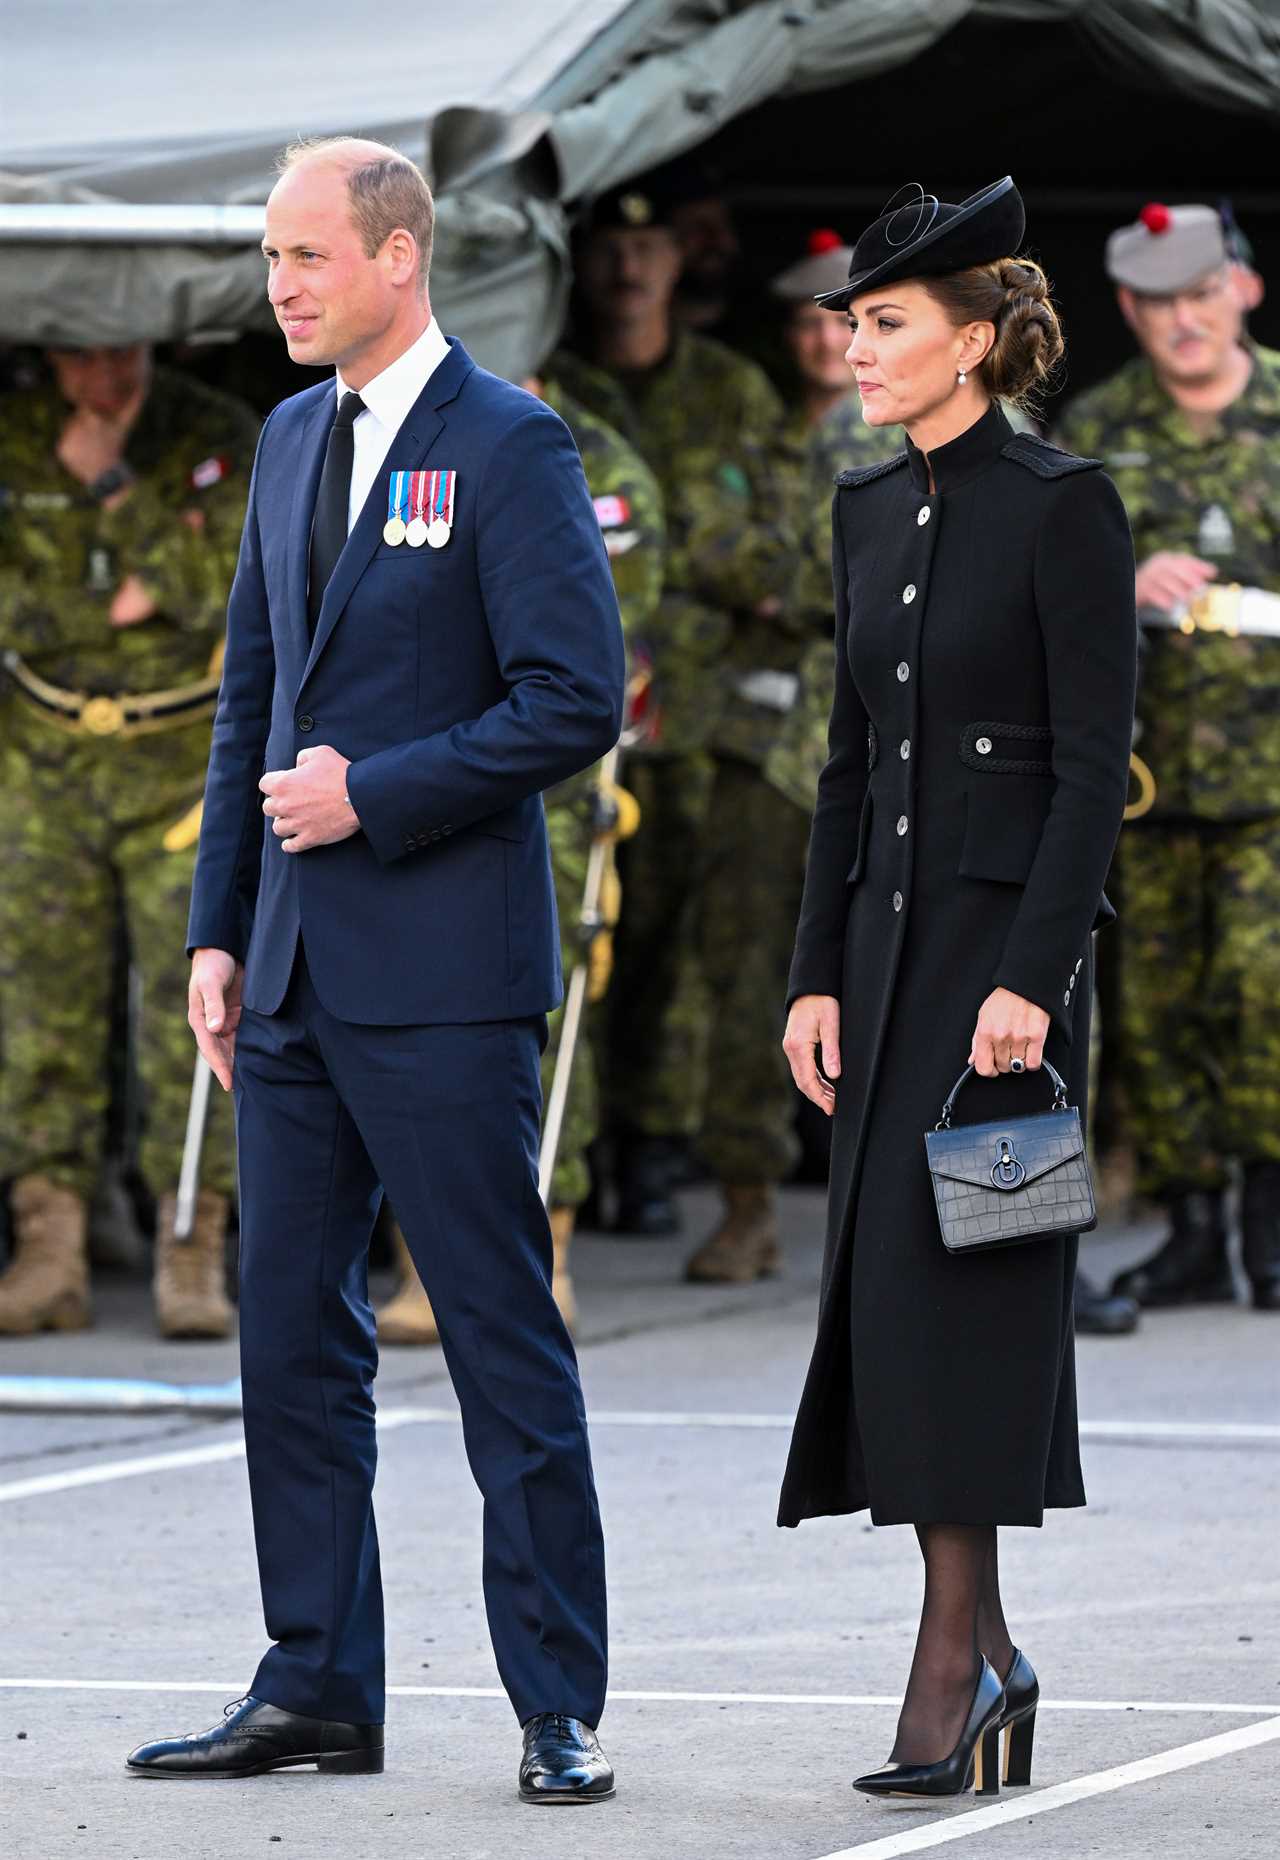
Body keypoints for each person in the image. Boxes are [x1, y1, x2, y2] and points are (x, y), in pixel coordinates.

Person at [125, 137, 623, 1802]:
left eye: (306, 255)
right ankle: (317, 1681)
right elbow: (249, 707)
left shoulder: (510, 442)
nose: (279, 284)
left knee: (497, 1336)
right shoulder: (286, 439)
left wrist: (376, 796)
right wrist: (217, 925)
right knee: (290, 1343)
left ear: (399, 256)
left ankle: (558, 1701)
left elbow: (574, 698)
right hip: (287, 980)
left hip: (447, 976)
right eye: (272, 256)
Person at [780, 179, 1136, 1799]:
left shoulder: (1066, 505)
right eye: (855, 324)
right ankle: (977, 1649)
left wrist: (1034, 982)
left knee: (980, 1298)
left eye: (889, 324)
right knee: (899, 1314)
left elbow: (1088, 768)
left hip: (1009, 987)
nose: (856, 347)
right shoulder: (863, 511)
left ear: (974, 341)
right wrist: (811, 978)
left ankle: (959, 1660)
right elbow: (847, 769)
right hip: (884, 966)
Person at [376, 362, 665, 1340]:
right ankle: (424, 1260)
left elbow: (603, 615)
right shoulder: (391, 428)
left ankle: (544, 1248)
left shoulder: (571, 446)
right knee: (408, 1013)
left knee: (541, 1014)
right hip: (408, 766)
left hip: (539, 776)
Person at [0, 343, 258, 1338]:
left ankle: (191, 1242)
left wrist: (115, 487)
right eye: (81, 351)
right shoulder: (17, 437)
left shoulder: (212, 433)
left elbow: (227, 585)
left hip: (179, 757)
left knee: (193, 1006)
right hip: (42, 756)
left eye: (122, 347)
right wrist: (110, 602)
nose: (104, 370)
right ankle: (47, 1243)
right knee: (40, 1010)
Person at [554, 184, 794, 1250]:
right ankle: (585, 1148)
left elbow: (766, 553)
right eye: (611, 248)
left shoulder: (731, 392)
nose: (628, 270)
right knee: (584, 933)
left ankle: (654, 1148)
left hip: (695, 711)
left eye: (647, 247)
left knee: (682, 946)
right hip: (572, 713)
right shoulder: (549, 389)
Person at [1055, 203, 1280, 1313]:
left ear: (1239, 290)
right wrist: (1122, 582)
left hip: (1271, 779)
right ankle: (1190, 1228)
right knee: (1151, 1007)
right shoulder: (1095, 430)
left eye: (1198, 295)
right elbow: (1035, 586)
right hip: (1139, 782)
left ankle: (1269, 1225)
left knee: (1262, 991)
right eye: (1154, 303)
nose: (1179, 321)